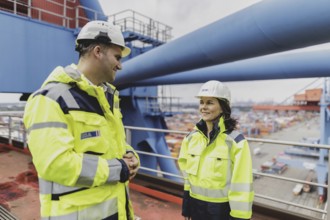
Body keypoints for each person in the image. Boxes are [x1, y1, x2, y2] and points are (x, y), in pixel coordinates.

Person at [23, 20, 140, 220]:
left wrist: (129, 155)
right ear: (97, 51)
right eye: (117, 57)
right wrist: (118, 168)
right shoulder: (49, 99)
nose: (120, 65)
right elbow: (56, 164)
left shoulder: (107, 97)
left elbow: (110, 144)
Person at [178, 80, 254, 220]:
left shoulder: (236, 142)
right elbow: (188, 178)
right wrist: (187, 204)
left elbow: (242, 185)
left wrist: (239, 217)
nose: (204, 107)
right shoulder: (190, 139)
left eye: (210, 102)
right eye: (202, 102)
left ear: (223, 107)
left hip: (221, 210)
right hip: (196, 207)